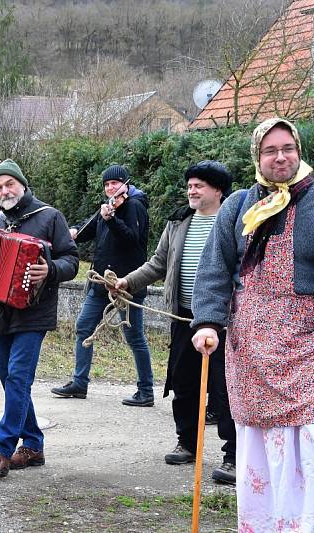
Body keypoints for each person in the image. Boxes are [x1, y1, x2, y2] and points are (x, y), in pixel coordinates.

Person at [191, 117, 314, 532]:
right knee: (260, 450)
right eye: (270, 151)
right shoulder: (238, 206)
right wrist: (208, 322)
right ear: (258, 157)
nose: (281, 157)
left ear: (299, 150)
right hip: (250, 353)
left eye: (287, 147)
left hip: (313, 351)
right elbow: (214, 269)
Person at [114, 161, 236, 484]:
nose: (192, 191)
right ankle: (187, 443)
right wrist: (127, 282)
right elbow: (157, 263)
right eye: (190, 185)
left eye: (199, 186)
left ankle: (233, 456)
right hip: (184, 318)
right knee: (183, 385)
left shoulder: (234, 222)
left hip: (224, 323)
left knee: (225, 390)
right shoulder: (178, 222)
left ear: (218, 190)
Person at [0, 159, 78, 476]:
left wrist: (51, 269)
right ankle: (33, 445)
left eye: (9, 184)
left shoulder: (49, 217)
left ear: (22, 184)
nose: (4, 191)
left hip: (33, 313)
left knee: (18, 377)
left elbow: (71, 259)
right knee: (11, 382)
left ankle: (1, 451)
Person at [51, 165, 154, 406]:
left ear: (125, 185)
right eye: (107, 184)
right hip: (101, 284)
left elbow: (133, 241)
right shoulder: (108, 207)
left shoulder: (135, 206)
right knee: (83, 327)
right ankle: (79, 383)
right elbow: (89, 228)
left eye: (115, 183)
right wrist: (73, 231)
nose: (110, 188)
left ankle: (146, 390)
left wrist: (113, 220)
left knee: (134, 336)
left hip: (127, 285)